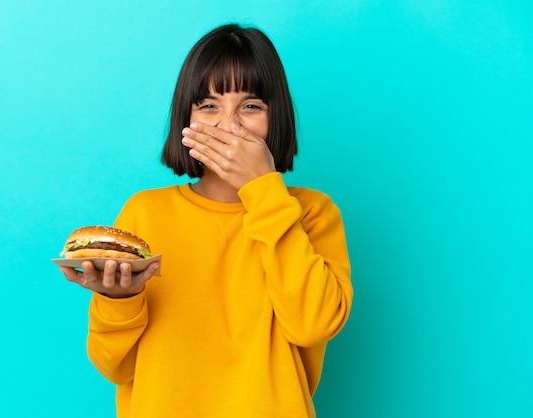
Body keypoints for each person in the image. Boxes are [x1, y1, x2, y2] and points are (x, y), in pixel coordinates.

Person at [59, 23, 353, 417]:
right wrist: (119, 299)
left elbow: (313, 325)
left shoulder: (312, 213)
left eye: (251, 106)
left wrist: (265, 191)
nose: (229, 125)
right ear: (186, 116)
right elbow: (116, 367)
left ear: (276, 117)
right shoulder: (146, 213)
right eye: (209, 105)